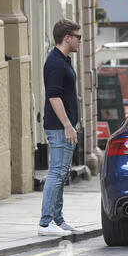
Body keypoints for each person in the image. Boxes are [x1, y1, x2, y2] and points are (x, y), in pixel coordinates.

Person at [38, 19, 85, 236]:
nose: (79, 41)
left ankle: (58, 219)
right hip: (59, 128)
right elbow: (54, 97)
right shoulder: (55, 63)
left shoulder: (63, 60)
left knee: (61, 172)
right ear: (67, 37)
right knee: (57, 173)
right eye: (78, 37)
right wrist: (67, 125)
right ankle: (46, 223)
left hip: (64, 126)